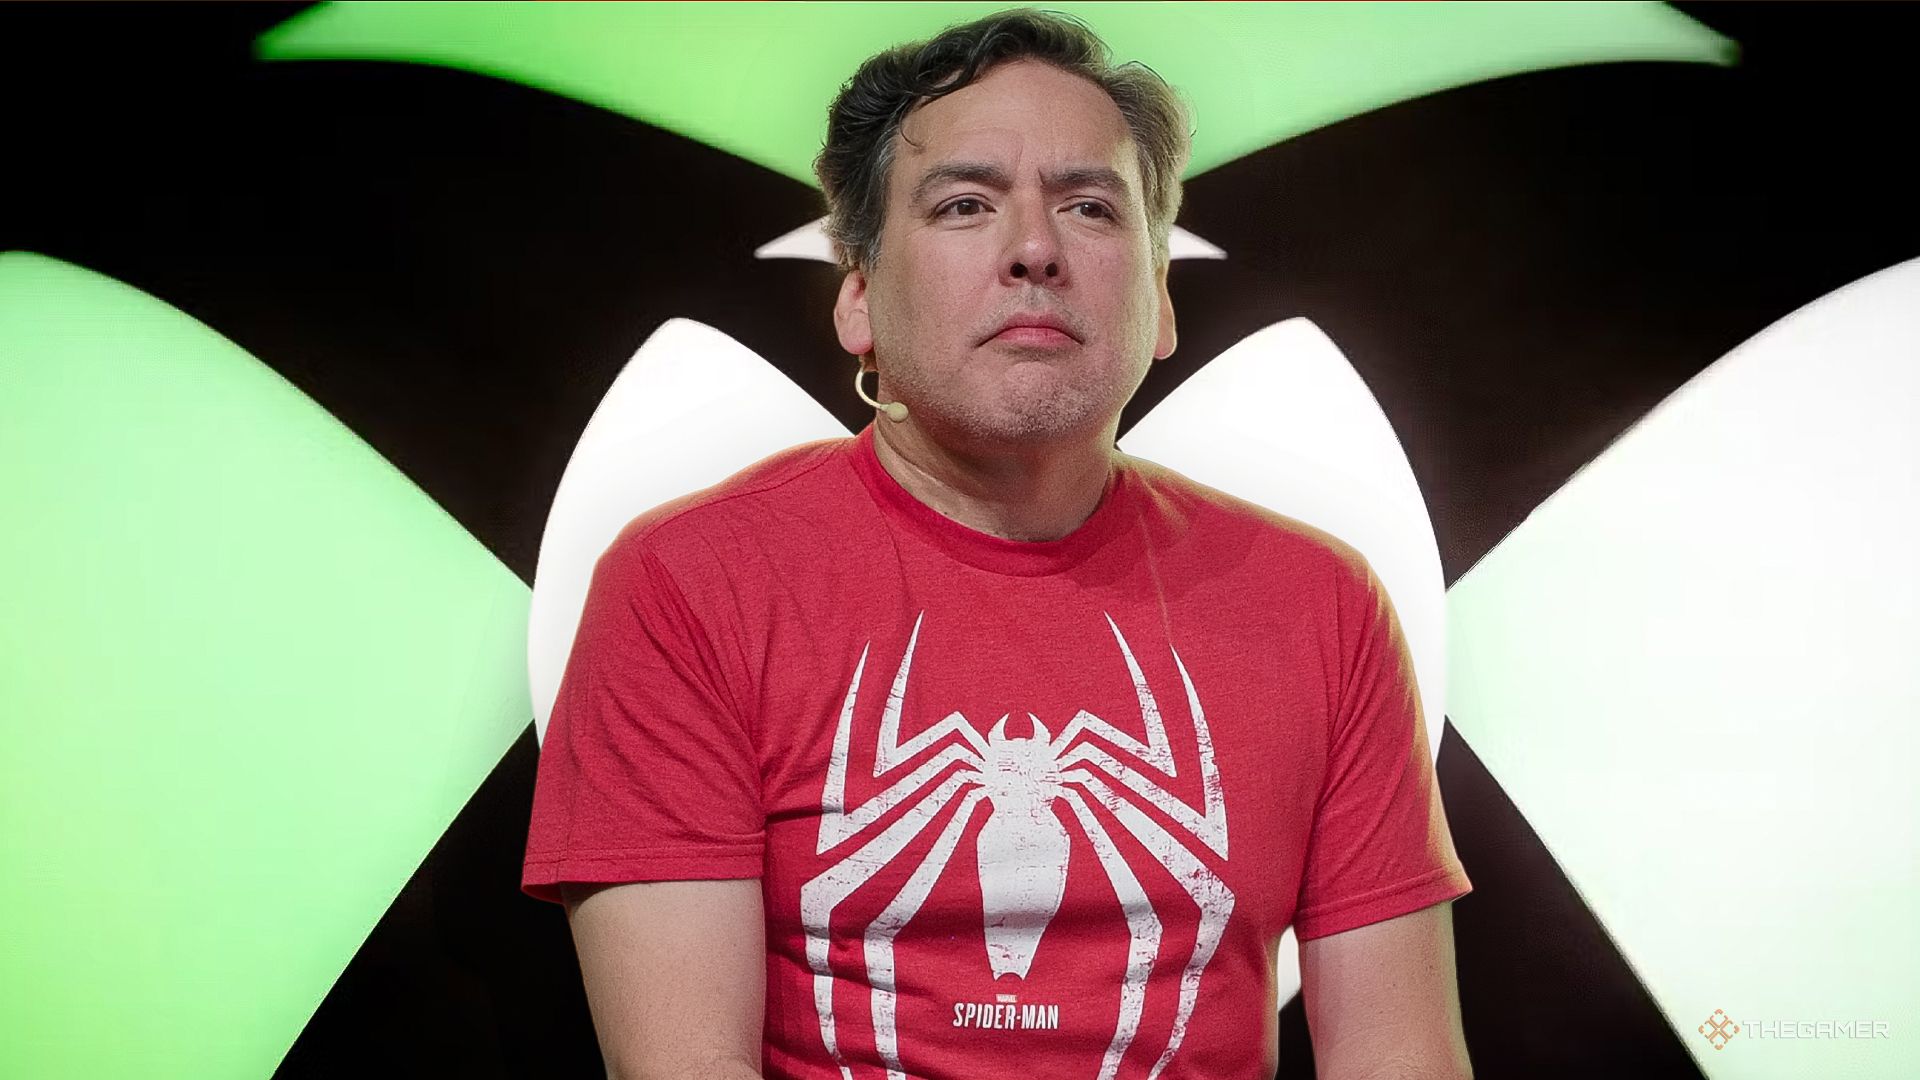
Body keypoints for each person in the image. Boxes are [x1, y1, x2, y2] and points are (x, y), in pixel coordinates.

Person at [523, 9, 1472, 1079]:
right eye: (965, 205)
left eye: (1090, 207)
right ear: (859, 300)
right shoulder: (690, 585)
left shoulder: (1320, 603)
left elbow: (1399, 1055)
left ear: (1160, 300)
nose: (1035, 249)